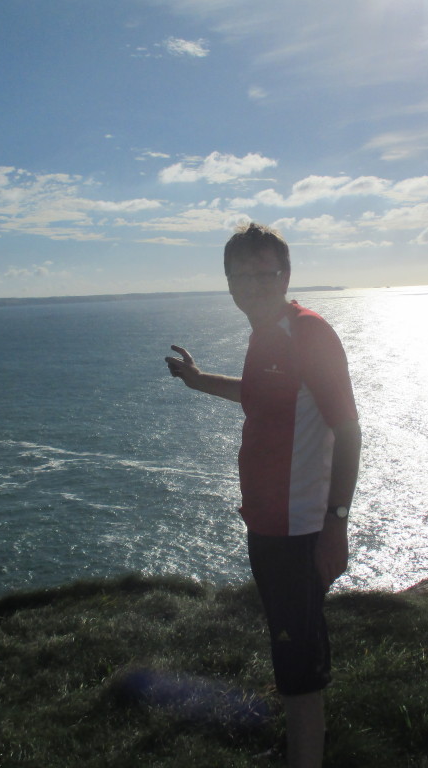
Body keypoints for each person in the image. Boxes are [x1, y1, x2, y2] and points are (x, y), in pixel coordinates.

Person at [165, 222, 361, 767]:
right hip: (269, 524)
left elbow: (348, 431)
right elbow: (262, 396)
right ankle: (299, 748)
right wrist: (199, 380)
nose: (253, 285)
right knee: (289, 645)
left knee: (300, 666)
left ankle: (305, 756)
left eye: (264, 273)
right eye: (241, 275)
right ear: (228, 281)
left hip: (300, 529)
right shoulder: (267, 333)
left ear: (286, 275)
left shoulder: (308, 333)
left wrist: (336, 524)